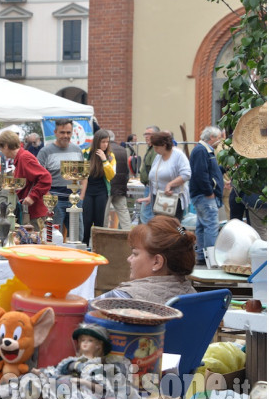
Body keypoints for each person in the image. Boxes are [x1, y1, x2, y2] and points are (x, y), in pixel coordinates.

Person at [93, 215, 196, 304]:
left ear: (157, 262)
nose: (129, 259)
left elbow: (78, 312)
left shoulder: (123, 298)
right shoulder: (194, 297)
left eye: (135, 254)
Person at [37, 119, 87, 239]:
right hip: (55, 201)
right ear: (55, 132)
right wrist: (49, 198)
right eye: (62, 132)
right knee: (54, 239)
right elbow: (38, 177)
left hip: (74, 201)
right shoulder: (45, 152)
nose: (66, 136)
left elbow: (84, 176)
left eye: (68, 133)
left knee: (77, 238)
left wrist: (81, 197)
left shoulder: (77, 150)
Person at [0, 130, 51, 230]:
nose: (1, 151)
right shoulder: (21, 158)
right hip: (32, 211)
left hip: (35, 213)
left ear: (5, 146)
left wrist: (32, 197)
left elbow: (46, 177)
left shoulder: (24, 158)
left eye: (1, 148)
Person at [138, 132, 191, 223]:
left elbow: (186, 174)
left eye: (157, 147)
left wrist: (170, 184)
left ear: (164, 145)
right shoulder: (158, 157)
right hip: (158, 198)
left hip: (173, 199)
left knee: (174, 227)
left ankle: (183, 235)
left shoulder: (178, 155)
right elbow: (155, 178)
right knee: (160, 227)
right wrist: (150, 196)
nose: (155, 150)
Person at [190, 126, 224, 265]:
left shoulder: (204, 150)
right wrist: (209, 192)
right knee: (211, 226)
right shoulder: (201, 150)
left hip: (202, 195)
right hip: (205, 196)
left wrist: (225, 168)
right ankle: (212, 259)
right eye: (218, 138)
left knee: (202, 226)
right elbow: (201, 173)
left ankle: (201, 257)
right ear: (212, 138)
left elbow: (210, 171)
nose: (219, 141)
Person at [81, 129, 116, 246]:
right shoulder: (86, 153)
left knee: (99, 220)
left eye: (107, 142)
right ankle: (84, 244)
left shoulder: (110, 156)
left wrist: (104, 160)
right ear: (97, 142)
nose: (105, 145)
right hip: (88, 191)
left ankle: (98, 247)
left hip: (102, 191)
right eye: (103, 142)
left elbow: (111, 175)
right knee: (87, 220)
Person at [104, 130, 132, 230]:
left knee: (105, 215)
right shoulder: (123, 150)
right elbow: (127, 170)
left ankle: (103, 236)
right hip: (121, 187)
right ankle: (128, 234)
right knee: (123, 213)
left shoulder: (105, 150)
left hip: (107, 187)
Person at [138, 126, 160, 223]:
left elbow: (155, 172)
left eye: (149, 134)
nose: (146, 136)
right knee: (147, 215)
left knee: (146, 215)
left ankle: (149, 237)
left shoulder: (155, 151)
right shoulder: (150, 149)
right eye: (145, 134)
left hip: (152, 187)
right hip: (149, 187)